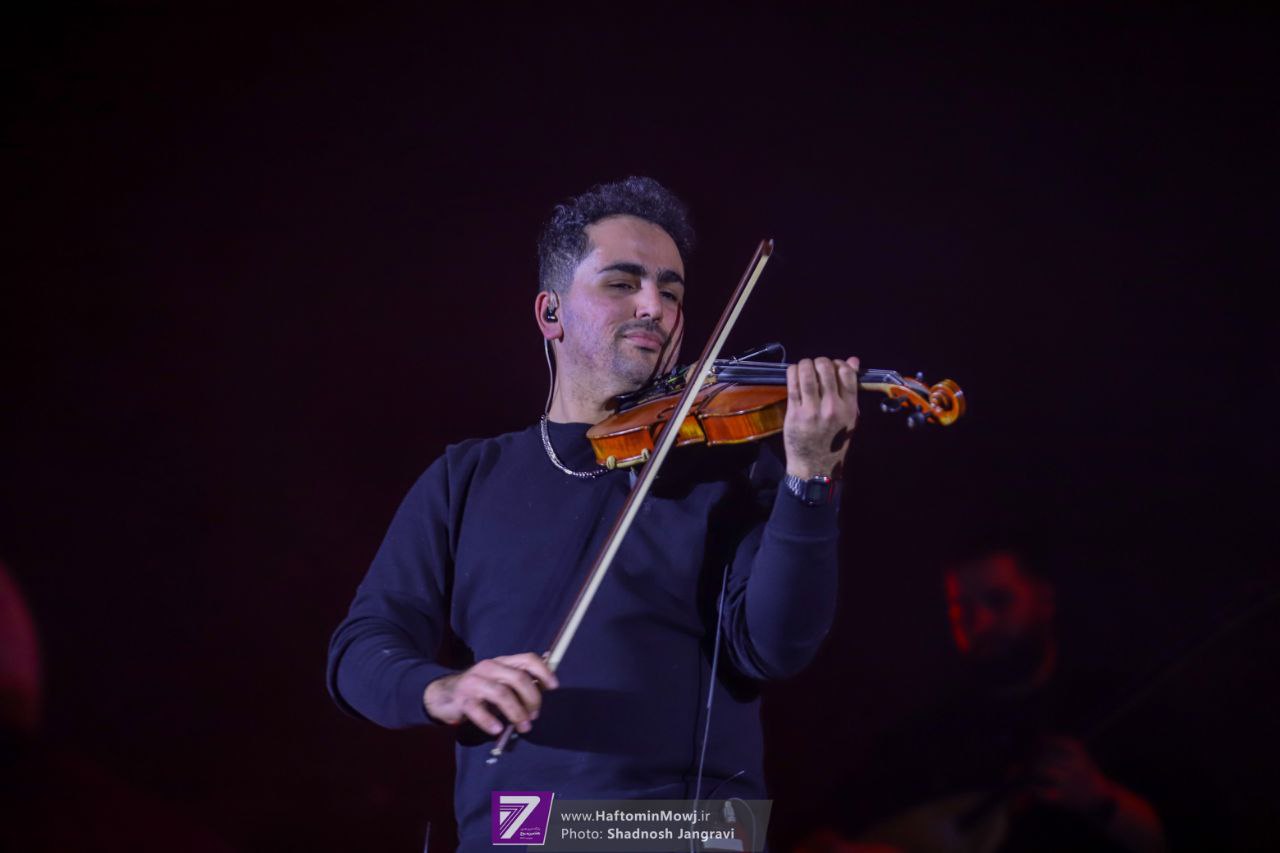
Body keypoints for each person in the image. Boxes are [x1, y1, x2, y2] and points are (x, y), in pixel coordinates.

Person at [326, 176, 863, 850]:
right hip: (520, 834)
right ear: (550, 313)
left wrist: (810, 476)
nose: (655, 306)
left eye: (671, 291)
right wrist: (443, 689)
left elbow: (777, 647)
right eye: (623, 283)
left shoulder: (727, 470)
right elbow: (360, 649)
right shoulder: (465, 480)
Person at [796, 549, 1166, 853]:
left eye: (999, 601)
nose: (982, 623)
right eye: (962, 609)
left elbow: (1174, 834)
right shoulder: (928, 731)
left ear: (1044, 599)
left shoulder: (1111, 703)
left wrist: (1098, 798)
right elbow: (827, 825)